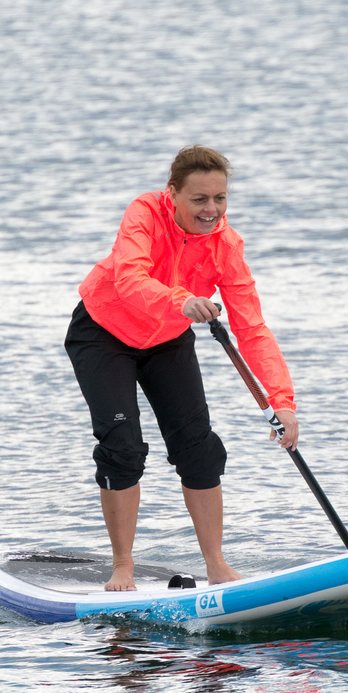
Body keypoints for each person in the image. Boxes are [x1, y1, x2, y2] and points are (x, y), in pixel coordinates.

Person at [64, 145, 298, 591]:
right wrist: (181, 299)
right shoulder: (144, 214)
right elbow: (130, 278)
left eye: (220, 199)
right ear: (172, 193)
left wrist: (282, 402)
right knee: (124, 446)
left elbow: (252, 328)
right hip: (103, 333)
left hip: (167, 339)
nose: (211, 210)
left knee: (198, 447)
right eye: (199, 200)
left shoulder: (226, 245)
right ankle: (123, 568)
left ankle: (217, 565)